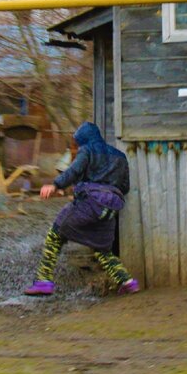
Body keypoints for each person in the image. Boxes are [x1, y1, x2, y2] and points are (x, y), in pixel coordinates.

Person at [24, 121, 140, 296]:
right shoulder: (120, 156)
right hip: (110, 209)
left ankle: (44, 281)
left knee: (55, 234)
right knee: (102, 249)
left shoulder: (87, 150)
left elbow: (74, 171)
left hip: (89, 203)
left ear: (84, 139)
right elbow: (125, 187)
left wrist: (55, 185)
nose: (78, 147)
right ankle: (128, 282)